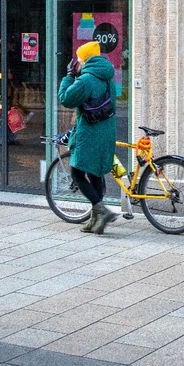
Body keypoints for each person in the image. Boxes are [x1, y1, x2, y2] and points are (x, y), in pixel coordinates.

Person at [58, 40, 119, 234]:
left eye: (79, 59)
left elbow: (66, 99)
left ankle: (101, 210)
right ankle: (96, 220)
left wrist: (69, 76)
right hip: (106, 130)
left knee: (77, 172)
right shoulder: (108, 76)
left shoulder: (86, 80)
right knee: (94, 174)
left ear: (85, 60)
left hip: (89, 132)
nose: (77, 63)